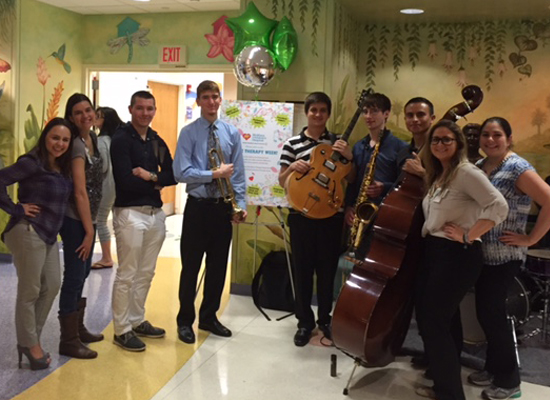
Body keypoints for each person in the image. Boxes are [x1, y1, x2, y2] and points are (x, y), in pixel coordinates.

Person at [415, 120, 508, 400]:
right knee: (441, 321)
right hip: (435, 252)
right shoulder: (440, 174)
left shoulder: (466, 172)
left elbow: (499, 205)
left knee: (434, 322)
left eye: (446, 139)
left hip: (456, 256)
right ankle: (444, 384)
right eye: (435, 140)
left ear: (458, 144)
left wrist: (469, 235)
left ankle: (450, 394)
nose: (440, 145)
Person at [467, 117, 550, 400]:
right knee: (486, 315)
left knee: (494, 317)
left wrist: (532, 239)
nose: (490, 140)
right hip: (482, 254)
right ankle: (492, 367)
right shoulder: (479, 167)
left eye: (497, 135)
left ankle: (509, 380)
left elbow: (549, 199)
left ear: (509, 138)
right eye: (486, 135)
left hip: (506, 255)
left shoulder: (517, 168)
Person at [173, 80, 247, 344]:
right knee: (190, 267)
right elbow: (180, 172)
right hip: (197, 209)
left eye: (215, 96)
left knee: (217, 268)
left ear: (220, 100)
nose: (212, 101)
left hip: (222, 210)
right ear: (199, 102)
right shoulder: (188, 133)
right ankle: (184, 321)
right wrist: (213, 174)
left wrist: (241, 206)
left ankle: (209, 317)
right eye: (206, 97)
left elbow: (237, 174)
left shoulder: (231, 133)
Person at [278, 92, 352, 346]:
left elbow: (349, 179)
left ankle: (325, 320)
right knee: (302, 271)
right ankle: (304, 322)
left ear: (328, 114)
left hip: (331, 217)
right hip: (301, 216)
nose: (318, 114)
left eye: (323, 110)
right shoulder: (292, 144)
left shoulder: (337, 143)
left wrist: (349, 157)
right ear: (307, 113)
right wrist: (292, 168)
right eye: (313, 110)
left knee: (327, 271)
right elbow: (281, 180)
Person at [0, 118, 73, 370]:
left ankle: (30, 341)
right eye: (55, 138)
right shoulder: (31, 163)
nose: (60, 144)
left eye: (65, 140)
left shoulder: (61, 168)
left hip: (50, 234)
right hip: (27, 230)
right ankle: (31, 345)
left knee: (51, 285)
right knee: (30, 290)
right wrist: (16, 208)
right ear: (45, 138)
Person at [110, 91, 176, 352]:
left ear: (154, 111)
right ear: (130, 109)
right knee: (127, 274)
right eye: (140, 108)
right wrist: (156, 181)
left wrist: (149, 176)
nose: (145, 113)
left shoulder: (156, 141)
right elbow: (125, 181)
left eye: (150, 109)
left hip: (155, 216)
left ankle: (137, 321)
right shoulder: (121, 140)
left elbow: (173, 175)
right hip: (129, 214)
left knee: (146, 273)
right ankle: (121, 330)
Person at [59, 93, 105, 359]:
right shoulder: (76, 144)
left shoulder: (93, 139)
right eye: (78, 112)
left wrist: (93, 225)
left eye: (88, 110)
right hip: (75, 219)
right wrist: (88, 231)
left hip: (90, 216)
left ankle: (78, 328)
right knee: (75, 276)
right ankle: (69, 340)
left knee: (84, 272)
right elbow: (79, 191)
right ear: (71, 117)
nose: (85, 116)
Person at [344, 92, 408, 256]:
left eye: (374, 111)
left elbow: (405, 184)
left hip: (385, 217)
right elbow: (353, 182)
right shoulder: (358, 146)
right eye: (365, 111)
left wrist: (384, 187)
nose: (368, 116)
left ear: (386, 114)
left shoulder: (400, 147)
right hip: (360, 217)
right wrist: (348, 207)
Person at [91, 107, 123, 269]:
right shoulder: (116, 139)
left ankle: (106, 257)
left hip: (105, 186)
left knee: (100, 221)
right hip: (117, 186)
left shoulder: (101, 141)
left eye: (98, 116)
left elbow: (102, 167)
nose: (94, 119)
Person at [397, 97, 436, 178]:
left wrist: (422, 173)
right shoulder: (402, 153)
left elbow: (451, 186)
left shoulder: (440, 150)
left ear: (432, 119)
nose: (414, 119)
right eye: (410, 115)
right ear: (405, 119)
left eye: (420, 115)